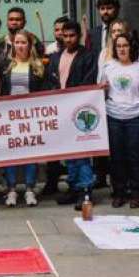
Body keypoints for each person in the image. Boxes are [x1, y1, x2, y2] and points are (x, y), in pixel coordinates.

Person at [99, 32, 139, 208]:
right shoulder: (108, 66)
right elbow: (102, 92)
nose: (122, 49)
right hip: (114, 116)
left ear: (132, 47)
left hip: (137, 117)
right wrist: (102, 89)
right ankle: (119, 193)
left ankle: (136, 193)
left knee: (135, 156)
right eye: (119, 46)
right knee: (117, 157)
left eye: (125, 45)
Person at [49, 19, 99, 208]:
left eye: (72, 36)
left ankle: (85, 190)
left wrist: (72, 98)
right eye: (65, 36)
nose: (68, 39)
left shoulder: (88, 56)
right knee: (68, 151)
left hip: (80, 109)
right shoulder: (56, 57)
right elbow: (51, 80)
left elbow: (89, 80)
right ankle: (73, 187)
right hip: (61, 109)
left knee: (82, 152)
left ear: (78, 36)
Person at [0, 31, 48, 207]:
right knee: (10, 155)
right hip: (9, 116)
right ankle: (11, 190)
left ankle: (29, 189)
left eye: (23, 42)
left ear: (29, 45)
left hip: (31, 116)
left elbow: (45, 91)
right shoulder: (5, 65)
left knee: (30, 154)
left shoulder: (38, 66)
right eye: (17, 42)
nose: (20, 45)